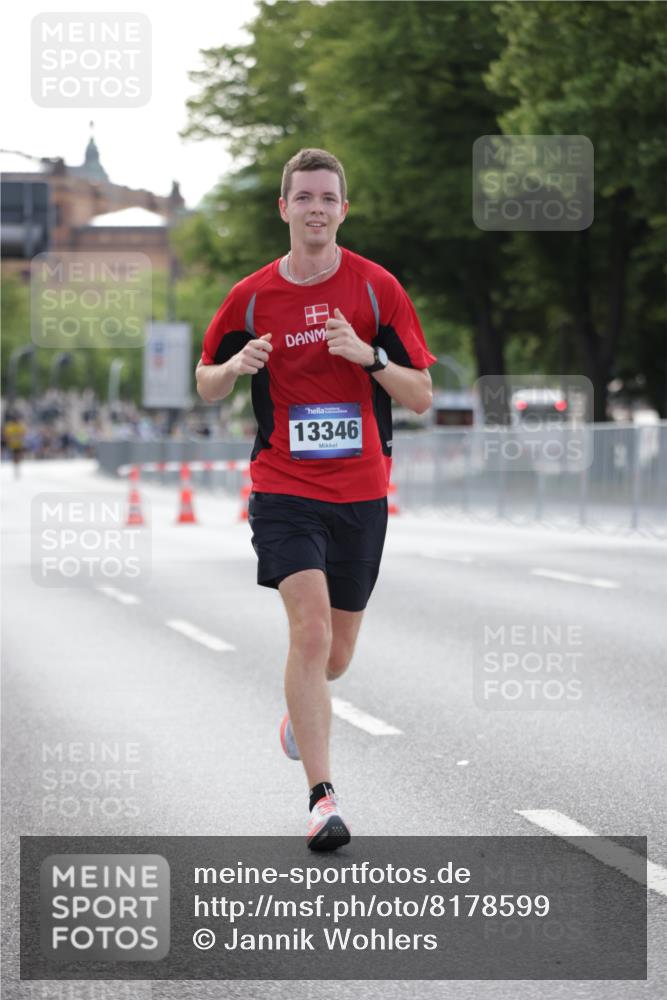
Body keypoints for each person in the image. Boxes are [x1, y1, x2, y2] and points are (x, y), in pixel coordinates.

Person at [196, 148, 436, 851]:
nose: (315, 209)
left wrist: (370, 357)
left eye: (327, 198)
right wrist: (233, 367)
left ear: (343, 209)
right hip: (282, 487)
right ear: (284, 209)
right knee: (309, 632)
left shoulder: (375, 290)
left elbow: (420, 396)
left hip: (361, 493)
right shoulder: (251, 297)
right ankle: (323, 801)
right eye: (303, 198)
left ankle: (299, 715)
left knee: (335, 655)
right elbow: (205, 380)